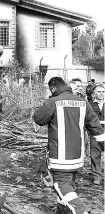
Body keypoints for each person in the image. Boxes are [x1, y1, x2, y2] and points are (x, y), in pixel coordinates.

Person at [33, 77, 104, 214]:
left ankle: (81, 210)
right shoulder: (83, 102)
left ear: (53, 88)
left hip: (60, 157)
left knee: (62, 186)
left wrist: (46, 102)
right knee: (69, 185)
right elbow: (96, 128)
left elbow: (39, 119)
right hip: (77, 156)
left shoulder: (52, 102)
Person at [89, 84, 104, 185]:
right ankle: (97, 176)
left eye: (103, 92)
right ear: (94, 93)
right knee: (95, 155)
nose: (101, 94)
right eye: (99, 92)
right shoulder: (90, 104)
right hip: (95, 133)